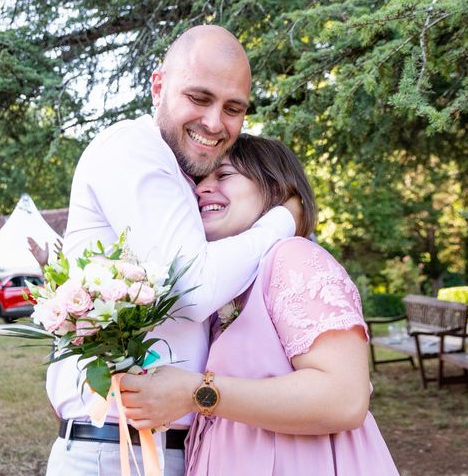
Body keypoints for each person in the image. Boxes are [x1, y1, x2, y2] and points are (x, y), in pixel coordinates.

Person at [46, 25, 300, 476]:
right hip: (120, 450)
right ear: (158, 86)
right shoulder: (132, 148)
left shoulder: (186, 180)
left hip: (174, 445)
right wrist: (285, 217)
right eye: (200, 98)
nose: (215, 123)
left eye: (234, 108)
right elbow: (195, 288)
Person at [120, 134, 399, 475]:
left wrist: (197, 392)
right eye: (198, 181)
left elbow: (345, 399)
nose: (201, 190)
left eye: (223, 175)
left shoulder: (293, 258)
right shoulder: (225, 287)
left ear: (276, 189)